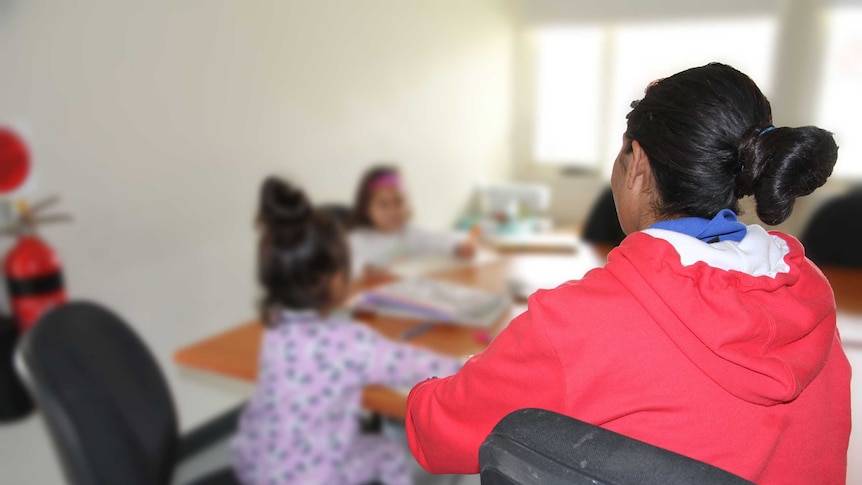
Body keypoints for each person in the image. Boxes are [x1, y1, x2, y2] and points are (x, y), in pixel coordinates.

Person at [404, 63, 850, 484]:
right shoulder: (808, 296)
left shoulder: (578, 322)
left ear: (636, 164)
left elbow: (435, 432)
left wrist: (452, 372)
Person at [232, 176, 462, 485]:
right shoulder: (350, 343)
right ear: (337, 278)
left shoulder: (275, 331)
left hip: (258, 466)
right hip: (316, 476)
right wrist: (470, 366)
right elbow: (416, 367)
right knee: (390, 453)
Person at [349, 165, 475, 277]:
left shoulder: (411, 232)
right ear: (366, 209)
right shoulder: (356, 240)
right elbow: (344, 268)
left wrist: (458, 247)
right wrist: (365, 270)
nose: (393, 210)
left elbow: (440, 239)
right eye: (383, 204)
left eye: (399, 201)